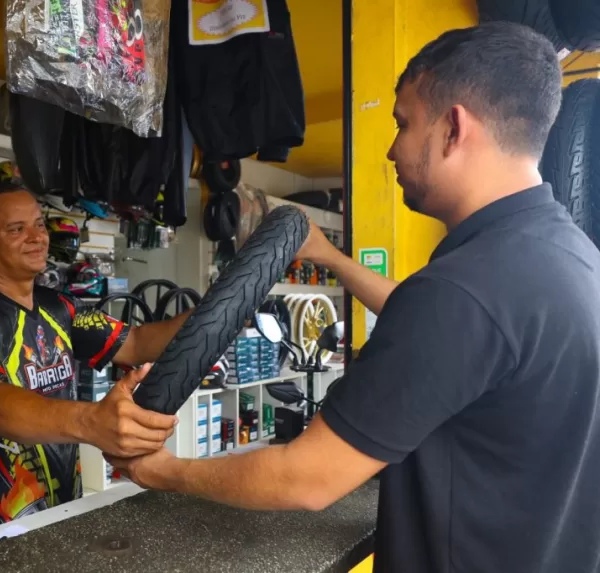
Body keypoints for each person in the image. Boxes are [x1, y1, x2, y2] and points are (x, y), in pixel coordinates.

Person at [110, 22, 600, 573]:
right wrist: (332, 259)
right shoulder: (569, 256)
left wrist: (163, 470)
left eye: (403, 123)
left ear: (453, 128)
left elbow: (307, 478)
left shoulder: (462, 291)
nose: (392, 148)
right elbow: (452, 333)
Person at [0, 182, 191, 536]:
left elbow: (137, 342)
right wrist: (91, 421)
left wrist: (219, 310)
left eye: (39, 224)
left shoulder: (61, 307)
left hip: (61, 511)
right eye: (16, 229)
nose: (37, 237)